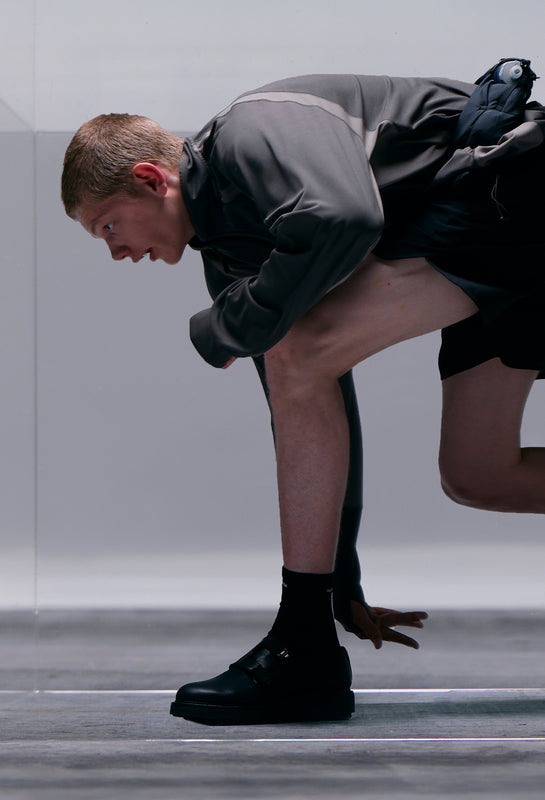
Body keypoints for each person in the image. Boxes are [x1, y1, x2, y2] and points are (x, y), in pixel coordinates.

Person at [61, 60, 545, 726]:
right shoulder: (233, 257)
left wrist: (221, 329)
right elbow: (312, 413)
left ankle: (303, 652)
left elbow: (343, 216)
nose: (116, 253)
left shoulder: (252, 129)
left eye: (109, 227)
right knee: (479, 474)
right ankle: (309, 634)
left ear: (150, 179)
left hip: (513, 190)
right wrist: (339, 577)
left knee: (298, 351)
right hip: (491, 237)